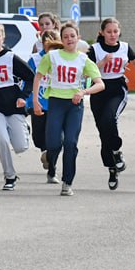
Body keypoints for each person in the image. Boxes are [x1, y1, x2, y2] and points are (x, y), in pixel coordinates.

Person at [32, 24, 104, 195]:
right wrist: (35, 100)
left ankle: (67, 182)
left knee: (71, 142)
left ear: (78, 37)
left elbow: (100, 84)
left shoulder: (84, 60)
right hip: (56, 103)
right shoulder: (52, 56)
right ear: (62, 39)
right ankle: (52, 167)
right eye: (66, 36)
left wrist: (84, 91)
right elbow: (38, 76)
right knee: (54, 143)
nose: (70, 39)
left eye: (73, 36)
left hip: (74, 105)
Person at [88, 18, 135, 190]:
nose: (112, 35)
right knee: (103, 132)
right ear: (102, 33)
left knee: (110, 117)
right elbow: (86, 71)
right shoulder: (95, 50)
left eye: (115, 31)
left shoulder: (125, 47)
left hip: (117, 88)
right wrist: (102, 63)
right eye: (109, 31)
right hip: (98, 89)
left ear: (119, 32)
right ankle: (112, 168)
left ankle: (117, 152)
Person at [0, 23, 34, 191]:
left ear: (3, 38)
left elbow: (31, 77)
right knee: (2, 140)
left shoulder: (11, 57)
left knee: (20, 147)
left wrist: (23, 97)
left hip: (13, 105)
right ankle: (9, 176)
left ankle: (25, 127)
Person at [27, 30, 57, 177]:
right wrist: (27, 101)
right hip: (38, 102)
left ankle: (52, 168)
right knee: (38, 137)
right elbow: (27, 80)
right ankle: (45, 152)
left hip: (57, 103)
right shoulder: (34, 60)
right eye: (47, 45)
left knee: (56, 136)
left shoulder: (64, 58)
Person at [33, 12, 59, 168]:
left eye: (47, 24)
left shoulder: (63, 42)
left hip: (58, 96)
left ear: (54, 24)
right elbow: (33, 68)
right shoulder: (37, 45)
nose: (43, 27)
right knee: (38, 134)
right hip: (41, 93)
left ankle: (51, 155)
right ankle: (45, 151)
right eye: (41, 24)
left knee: (56, 131)